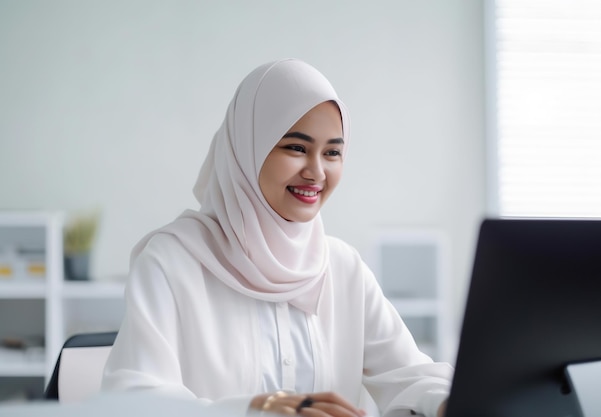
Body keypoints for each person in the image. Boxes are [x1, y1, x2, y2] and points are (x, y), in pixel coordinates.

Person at [101, 58, 453, 417]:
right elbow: (133, 399)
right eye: (296, 148)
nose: (317, 172)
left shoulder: (343, 268)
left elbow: (412, 375)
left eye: (332, 153)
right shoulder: (171, 260)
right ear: (247, 149)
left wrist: (444, 401)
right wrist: (254, 410)